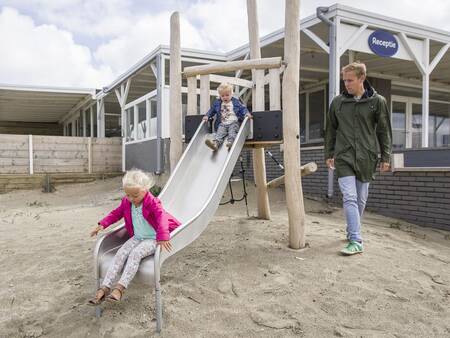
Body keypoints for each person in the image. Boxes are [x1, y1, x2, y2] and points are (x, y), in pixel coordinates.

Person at [324, 62, 392, 256]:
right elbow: (331, 129)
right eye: (344, 80)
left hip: (367, 157)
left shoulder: (377, 101)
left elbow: (383, 130)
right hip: (344, 155)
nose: (346, 84)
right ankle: (356, 240)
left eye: (350, 80)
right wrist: (329, 153)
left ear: (362, 78)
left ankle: (352, 230)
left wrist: (386, 156)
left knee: (361, 199)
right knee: (350, 197)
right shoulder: (338, 102)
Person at [88, 169, 180, 304]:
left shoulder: (153, 202)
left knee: (135, 254)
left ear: (145, 190)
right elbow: (116, 214)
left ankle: (120, 288)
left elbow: (162, 218)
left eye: (135, 195)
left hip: (153, 238)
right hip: (137, 237)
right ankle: (105, 287)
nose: (131, 198)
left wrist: (163, 236)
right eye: (128, 195)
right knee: (120, 253)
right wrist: (102, 224)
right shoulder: (127, 202)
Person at [203, 82, 252, 151]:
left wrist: (246, 113)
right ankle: (215, 144)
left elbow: (242, 108)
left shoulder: (235, 102)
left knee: (232, 132)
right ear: (220, 95)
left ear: (231, 94)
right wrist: (207, 116)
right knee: (219, 133)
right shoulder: (218, 103)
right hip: (223, 123)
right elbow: (212, 110)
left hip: (233, 122)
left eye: (227, 95)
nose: (225, 97)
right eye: (222, 96)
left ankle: (231, 142)